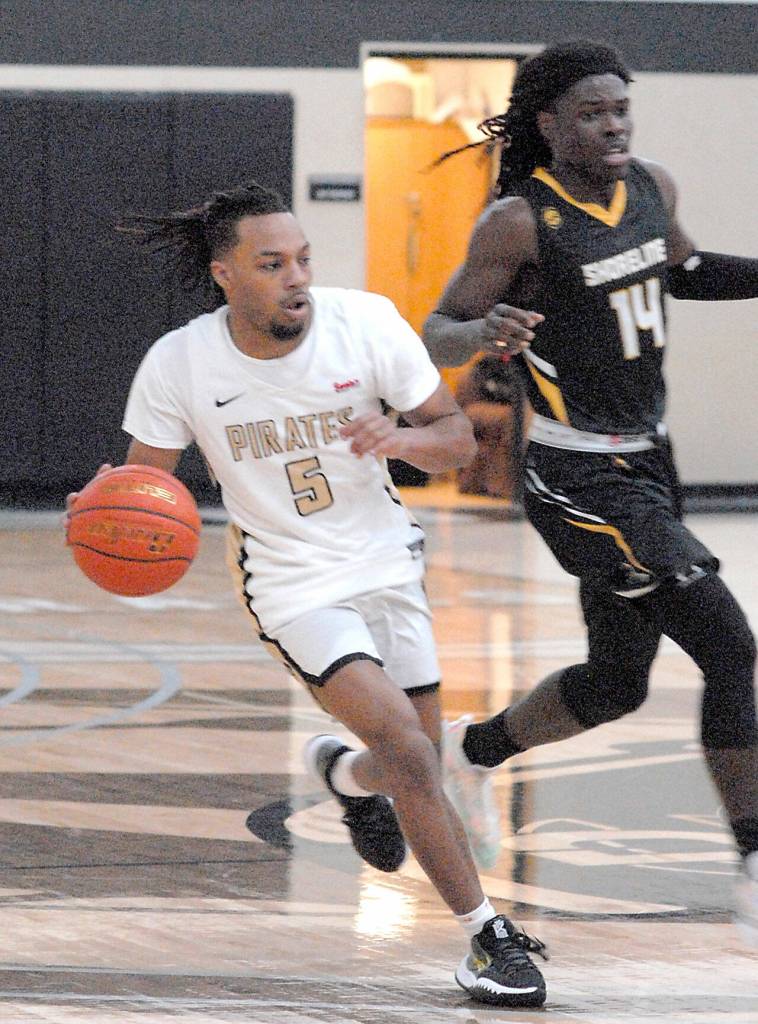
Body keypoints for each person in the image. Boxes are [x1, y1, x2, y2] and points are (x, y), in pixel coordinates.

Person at [66, 181, 548, 1006]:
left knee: (412, 761)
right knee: (407, 744)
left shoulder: (364, 323)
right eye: (271, 264)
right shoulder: (179, 362)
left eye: (302, 259)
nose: (295, 277)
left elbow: (457, 436)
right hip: (289, 582)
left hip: (386, 563)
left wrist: (401, 436)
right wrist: (101, 511)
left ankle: (344, 778)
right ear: (225, 276)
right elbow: (144, 489)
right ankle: (485, 938)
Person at [422, 40, 758, 942]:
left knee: (617, 687)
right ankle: (754, 859)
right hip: (575, 473)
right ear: (548, 124)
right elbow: (436, 332)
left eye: (620, 111)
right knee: (731, 646)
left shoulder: (651, 186)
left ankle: (471, 752)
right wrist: (482, 329)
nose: (613, 126)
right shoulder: (518, 221)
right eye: (591, 114)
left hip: (651, 461)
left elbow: (683, 274)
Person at [453, 352, 525, 501]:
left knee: (510, 423)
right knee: (507, 421)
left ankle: (500, 485)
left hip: (515, 414)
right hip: (487, 409)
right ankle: (491, 485)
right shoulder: (486, 364)